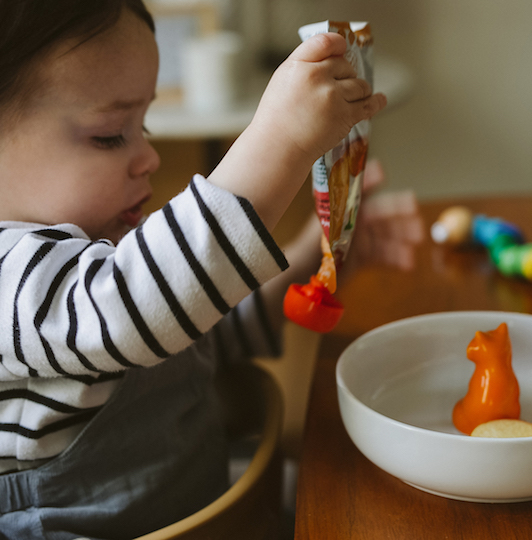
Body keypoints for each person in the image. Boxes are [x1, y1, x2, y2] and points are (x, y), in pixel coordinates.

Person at [0, 1, 422, 538]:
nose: (148, 156)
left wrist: (307, 263)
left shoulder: (117, 260)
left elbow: (197, 334)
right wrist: (281, 140)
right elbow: (128, 315)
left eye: (143, 126)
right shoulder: (11, 275)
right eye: (110, 134)